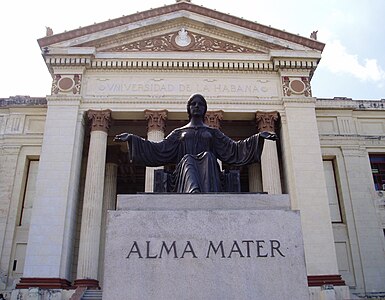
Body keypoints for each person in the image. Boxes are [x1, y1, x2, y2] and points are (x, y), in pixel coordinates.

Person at [114, 93, 277, 193]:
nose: (197, 106)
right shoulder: (179, 133)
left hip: (211, 174)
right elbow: (159, 149)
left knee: (207, 156)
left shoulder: (213, 132)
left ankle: (201, 193)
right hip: (183, 176)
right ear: (188, 108)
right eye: (193, 104)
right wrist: (133, 139)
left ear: (205, 109)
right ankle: (193, 192)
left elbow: (233, 149)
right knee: (188, 160)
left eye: (200, 104)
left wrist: (258, 137)